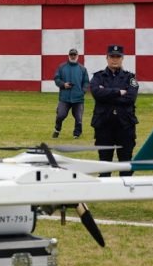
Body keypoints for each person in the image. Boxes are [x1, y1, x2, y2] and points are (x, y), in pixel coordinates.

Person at [90, 44, 138, 176]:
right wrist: (119, 92)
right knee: (104, 161)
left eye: (118, 57)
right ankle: (105, 190)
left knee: (125, 160)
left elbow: (130, 98)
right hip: (104, 124)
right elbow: (96, 93)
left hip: (125, 124)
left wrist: (106, 94)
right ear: (107, 58)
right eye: (112, 56)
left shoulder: (130, 78)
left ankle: (126, 189)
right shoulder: (98, 77)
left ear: (122, 58)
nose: (115, 59)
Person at [52, 48, 89, 139]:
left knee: (78, 118)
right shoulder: (61, 67)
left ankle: (76, 134)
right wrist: (63, 85)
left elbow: (86, 82)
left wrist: (83, 91)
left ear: (77, 56)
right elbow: (56, 79)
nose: (73, 56)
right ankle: (57, 129)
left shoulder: (83, 69)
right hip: (64, 98)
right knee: (60, 115)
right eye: (71, 55)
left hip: (78, 98)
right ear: (68, 56)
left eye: (74, 55)